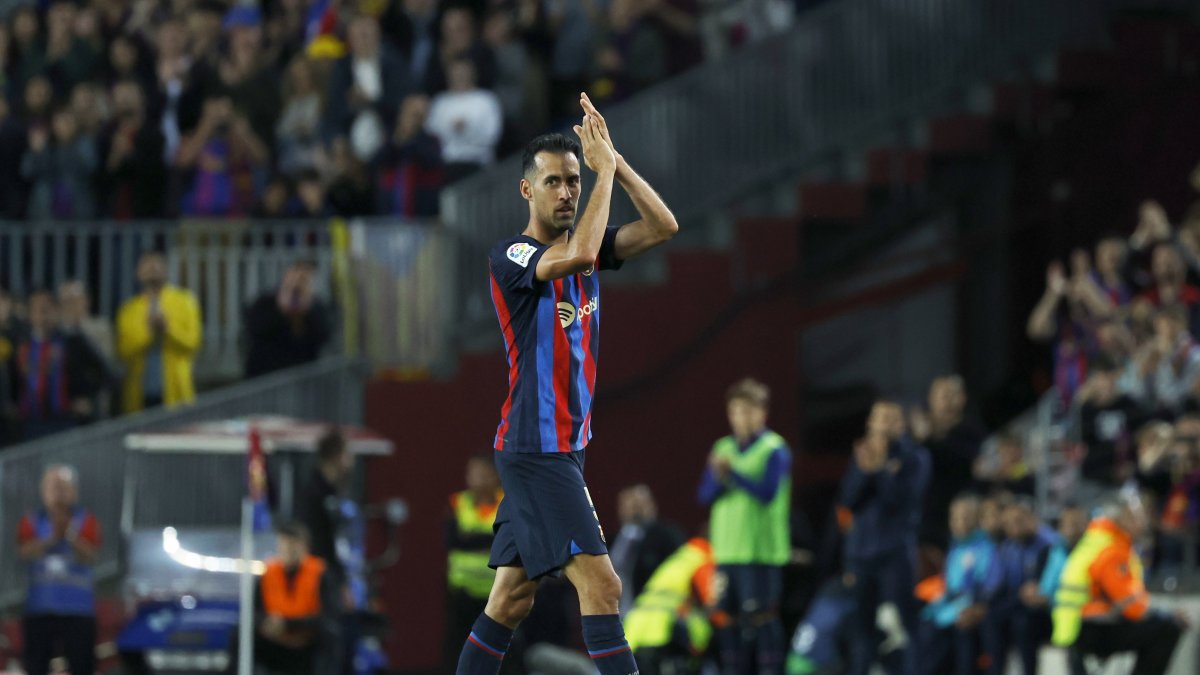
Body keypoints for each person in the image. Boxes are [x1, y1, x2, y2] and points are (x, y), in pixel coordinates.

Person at [454, 93, 678, 675]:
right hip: (537, 451)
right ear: (527, 190)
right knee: (602, 587)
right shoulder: (515, 253)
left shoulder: (590, 246)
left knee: (509, 599)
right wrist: (601, 173)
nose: (567, 192)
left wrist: (615, 162)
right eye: (553, 181)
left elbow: (663, 225)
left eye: (574, 181)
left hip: (564, 451)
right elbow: (577, 255)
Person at [697, 378, 792, 675]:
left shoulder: (775, 449)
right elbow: (703, 495)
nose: (742, 418)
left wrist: (732, 475)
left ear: (762, 412)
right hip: (726, 553)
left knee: (762, 621)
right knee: (727, 622)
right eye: (736, 411)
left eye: (748, 411)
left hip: (760, 553)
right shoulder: (722, 448)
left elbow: (767, 493)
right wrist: (719, 478)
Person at [1051, 490, 1190, 675]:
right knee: (1168, 628)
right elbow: (1131, 605)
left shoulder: (1096, 539)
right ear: (1121, 518)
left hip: (1075, 627)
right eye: (1136, 516)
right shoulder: (1112, 548)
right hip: (1093, 628)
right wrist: (1166, 613)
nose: (1142, 522)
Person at [838, 400, 930, 675]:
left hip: (895, 553)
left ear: (901, 424)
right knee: (862, 629)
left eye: (892, 419)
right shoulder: (862, 455)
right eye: (879, 418)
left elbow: (903, 501)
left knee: (904, 626)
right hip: (861, 554)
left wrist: (879, 471)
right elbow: (848, 501)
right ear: (870, 423)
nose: (885, 424)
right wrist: (867, 470)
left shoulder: (916, 457)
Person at [17, 465, 101, 675]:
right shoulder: (31, 520)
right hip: (40, 609)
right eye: (52, 488)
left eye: (62, 487)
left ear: (73, 490)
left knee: (82, 665)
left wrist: (69, 535)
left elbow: (90, 555)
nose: (58, 494)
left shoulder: (86, 520)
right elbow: (24, 552)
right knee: (36, 665)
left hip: (78, 610)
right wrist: (52, 538)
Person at [228, 521, 340, 675]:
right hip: (275, 640)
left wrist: (288, 623)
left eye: (293, 545)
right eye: (284, 544)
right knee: (240, 633)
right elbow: (253, 611)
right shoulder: (268, 573)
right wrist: (266, 622)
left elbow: (329, 615)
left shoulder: (320, 573)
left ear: (305, 546)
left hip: (307, 640)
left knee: (331, 635)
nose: (288, 550)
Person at [9, 290, 110, 439]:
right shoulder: (21, 345)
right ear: (30, 315)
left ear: (57, 311)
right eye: (37, 311)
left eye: (47, 310)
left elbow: (104, 371)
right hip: (30, 423)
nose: (43, 316)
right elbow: (13, 378)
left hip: (66, 422)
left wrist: (87, 398)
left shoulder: (72, 341)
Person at [915, 494, 994, 675]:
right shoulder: (955, 548)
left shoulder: (986, 546)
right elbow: (948, 586)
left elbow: (985, 586)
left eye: (966, 516)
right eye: (956, 517)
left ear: (977, 519)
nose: (961, 522)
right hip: (949, 610)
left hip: (972, 609)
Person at [115, 251, 202, 412]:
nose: (152, 268)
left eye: (157, 263)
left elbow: (193, 343)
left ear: (166, 269)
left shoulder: (184, 301)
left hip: (177, 393)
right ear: (137, 272)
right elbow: (123, 351)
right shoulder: (129, 309)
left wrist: (167, 329)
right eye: (147, 264)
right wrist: (149, 334)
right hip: (140, 395)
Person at [982, 498, 1058, 675]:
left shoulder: (1048, 544)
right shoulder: (1008, 547)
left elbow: (1041, 588)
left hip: (1045, 610)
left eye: (1019, 520)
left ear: (1033, 518)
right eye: (1009, 523)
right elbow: (999, 586)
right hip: (1018, 603)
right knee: (990, 618)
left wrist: (1032, 592)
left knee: (1022, 623)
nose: (1014, 527)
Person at [444, 454, 505, 672]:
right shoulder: (458, 503)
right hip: (462, 594)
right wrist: (490, 539)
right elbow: (453, 540)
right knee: (457, 649)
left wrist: (471, 537)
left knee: (499, 650)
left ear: (495, 476)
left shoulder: (508, 503)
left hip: (498, 595)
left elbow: (509, 539)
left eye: (481, 473)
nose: (474, 479)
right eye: (471, 473)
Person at [624, 536, 717, 675]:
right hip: (664, 629)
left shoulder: (681, 557)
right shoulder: (703, 559)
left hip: (636, 629)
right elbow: (711, 601)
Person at [243, 259, 333, 378]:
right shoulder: (266, 302)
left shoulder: (316, 306)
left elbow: (323, 335)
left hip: (301, 377)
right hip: (266, 375)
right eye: (296, 276)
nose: (298, 283)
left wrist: (307, 310)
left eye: (304, 279)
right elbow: (255, 329)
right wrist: (282, 308)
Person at [610, 484, 686, 617]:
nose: (635, 510)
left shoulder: (667, 536)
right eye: (630, 504)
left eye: (640, 504)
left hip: (653, 618)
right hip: (617, 617)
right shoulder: (610, 540)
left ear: (652, 504)